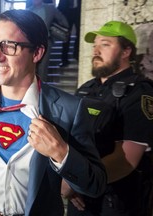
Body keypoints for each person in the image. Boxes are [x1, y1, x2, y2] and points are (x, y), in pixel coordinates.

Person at [0, 9, 106, 216]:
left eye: (9, 46)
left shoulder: (69, 109)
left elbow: (95, 184)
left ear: (37, 53)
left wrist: (61, 152)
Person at [62, 21, 153, 216]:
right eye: (95, 45)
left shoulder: (139, 92)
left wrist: (77, 180)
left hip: (116, 205)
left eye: (105, 44)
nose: (96, 50)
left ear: (126, 50)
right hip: (80, 203)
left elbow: (128, 159)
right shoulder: (85, 89)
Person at [28, 0, 68, 81]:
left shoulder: (50, 8)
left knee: (43, 68)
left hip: (46, 42)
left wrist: (64, 27)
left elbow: (62, 19)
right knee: (31, 66)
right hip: (31, 43)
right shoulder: (29, 11)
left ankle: (41, 89)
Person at [58, 0, 81, 67]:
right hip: (67, 13)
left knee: (79, 34)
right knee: (66, 36)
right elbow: (61, 5)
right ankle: (64, 60)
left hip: (79, 13)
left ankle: (76, 55)